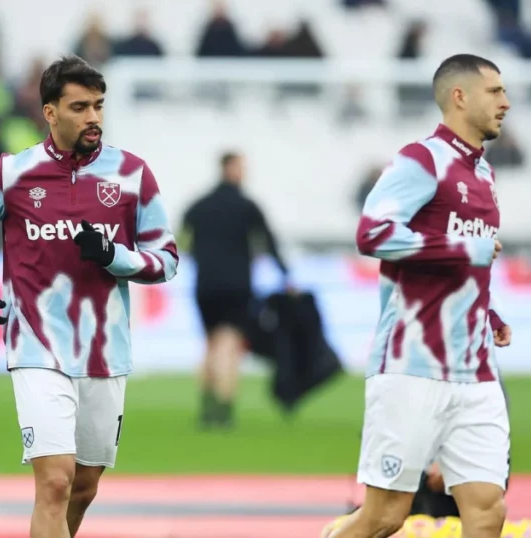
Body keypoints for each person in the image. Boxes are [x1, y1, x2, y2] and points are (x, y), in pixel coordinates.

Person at [0, 55, 178, 538]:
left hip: (104, 351)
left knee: (83, 486)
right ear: (49, 113)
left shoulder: (132, 174)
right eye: (79, 107)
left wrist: (115, 256)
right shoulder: (10, 173)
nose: (93, 117)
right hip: (35, 346)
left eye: (98, 106)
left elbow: (167, 259)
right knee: (54, 482)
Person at [329, 54, 512, 538]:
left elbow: (462, 263)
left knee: (488, 510)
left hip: (475, 369)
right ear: (460, 96)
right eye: (495, 92)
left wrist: (486, 312)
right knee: (385, 517)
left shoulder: (485, 175)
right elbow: (372, 234)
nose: (505, 102)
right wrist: (464, 248)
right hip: (413, 366)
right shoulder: (421, 159)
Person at [182, 151, 290, 429]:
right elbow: (268, 241)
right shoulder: (247, 206)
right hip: (237, 285)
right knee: (229, 346)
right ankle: (223, 408)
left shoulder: (199, 205)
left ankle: (206, 402)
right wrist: (286, 275)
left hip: (204, 285)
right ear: (230, 168)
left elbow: (182, 240)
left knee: (210, 344)